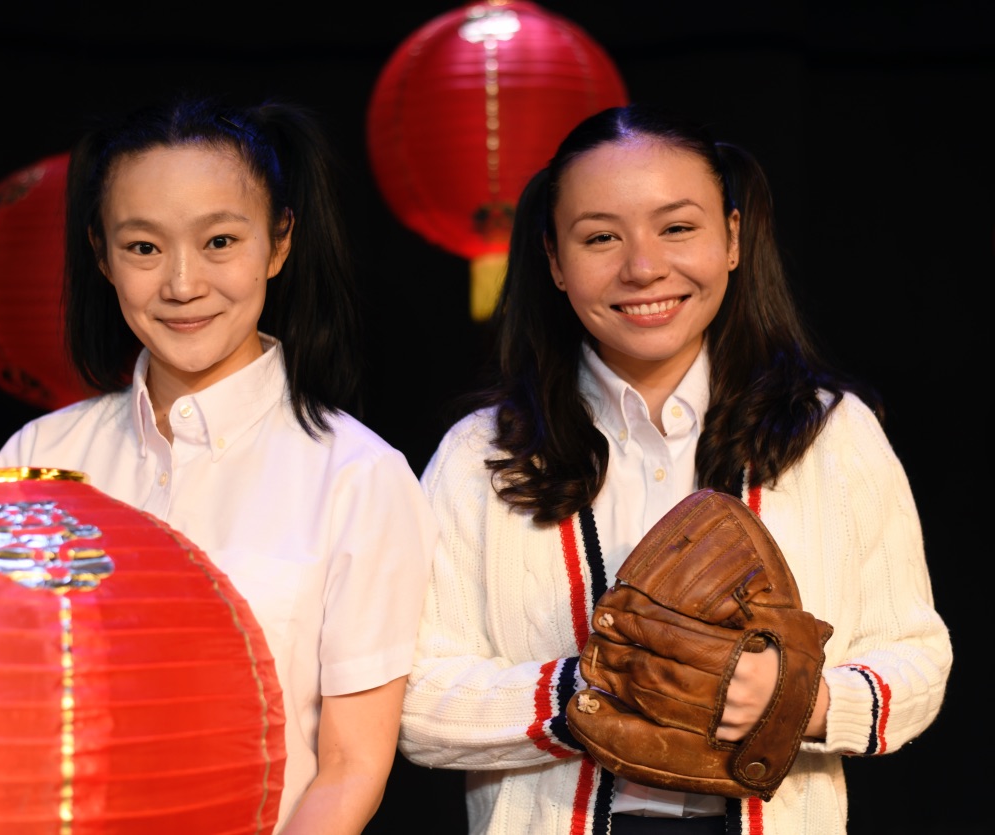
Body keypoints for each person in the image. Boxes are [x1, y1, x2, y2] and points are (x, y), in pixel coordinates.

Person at [398, 103, 951, 835]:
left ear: (732, 237)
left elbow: (917, 656)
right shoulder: (482, 453)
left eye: (677, 227)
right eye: (600, 237)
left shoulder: (829, 431)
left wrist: (796, 699)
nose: (643, 266)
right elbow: (409, 698)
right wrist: (591, 687)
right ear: (556, 262)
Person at [0, 95, 437, 834]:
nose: (182, 283)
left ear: (279, 242)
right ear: (101, 254)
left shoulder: (358, 476)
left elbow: (352, 765)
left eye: (220, 241)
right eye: (143, 248)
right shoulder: (40, 458)